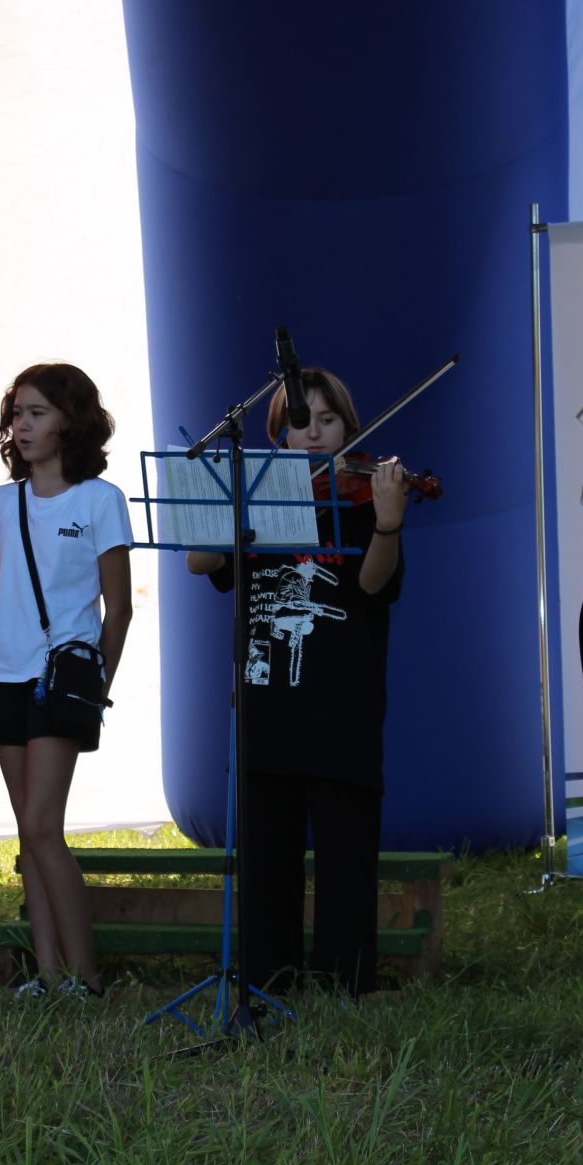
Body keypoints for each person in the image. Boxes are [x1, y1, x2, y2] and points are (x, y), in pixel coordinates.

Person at [186, 367, 408, 1000]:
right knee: (266, 855)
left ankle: (347, 982)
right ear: (278, 434)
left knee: (345, 855)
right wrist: (224, 503)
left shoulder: (364, 496)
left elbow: (372, 586)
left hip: (342, 702)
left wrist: (388, 524)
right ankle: (268, 980)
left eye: (328, 420)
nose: (314, 434)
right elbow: (201, 561)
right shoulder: (258, 497)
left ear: (351, 426)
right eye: (300, 422)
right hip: (267, 703)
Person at [0, 362, 133, 999]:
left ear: (71, 420)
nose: (22, 425)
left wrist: (99, 685)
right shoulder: (0, 504)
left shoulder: (101, 499)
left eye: (36, 413)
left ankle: (87, 980)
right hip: (2, 676)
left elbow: (117, 610)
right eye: (16, 414)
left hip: (62, 680)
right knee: (29, 832)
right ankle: (46, 974)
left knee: (42, 828)